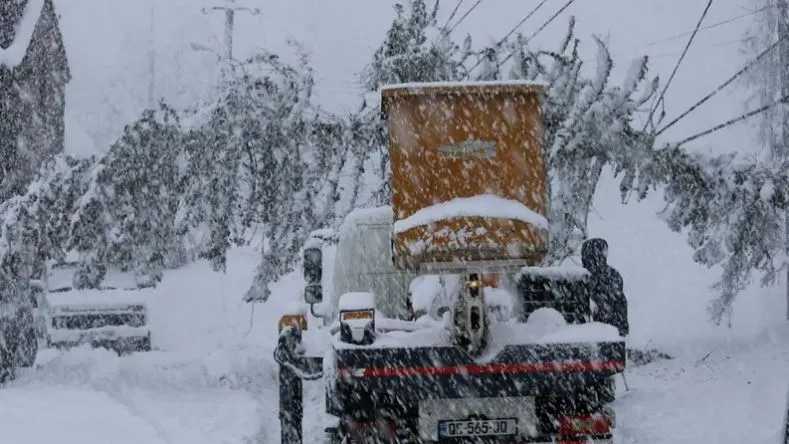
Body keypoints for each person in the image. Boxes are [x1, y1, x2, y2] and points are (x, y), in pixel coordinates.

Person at [581, 238, 629, 337]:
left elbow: (619, 301)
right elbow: (620, 302)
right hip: (607, 333)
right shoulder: (612, 275)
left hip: (593, 332)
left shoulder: (579, 276)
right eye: (604, 251)